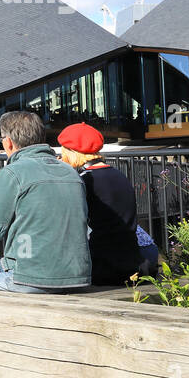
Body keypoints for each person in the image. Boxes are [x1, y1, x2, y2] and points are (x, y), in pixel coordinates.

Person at [0, 111, 90, 292]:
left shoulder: (12, 173)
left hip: (30, 278)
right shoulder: (70, 172)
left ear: (8, 142)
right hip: (78, 277)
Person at [57, 122, 148, 284]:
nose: (62, 158)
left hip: (101, 266)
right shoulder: (120, 176)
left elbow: (70, 225)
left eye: (64, 153)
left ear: (72, 153)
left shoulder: (83, 182)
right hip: (131, 261)